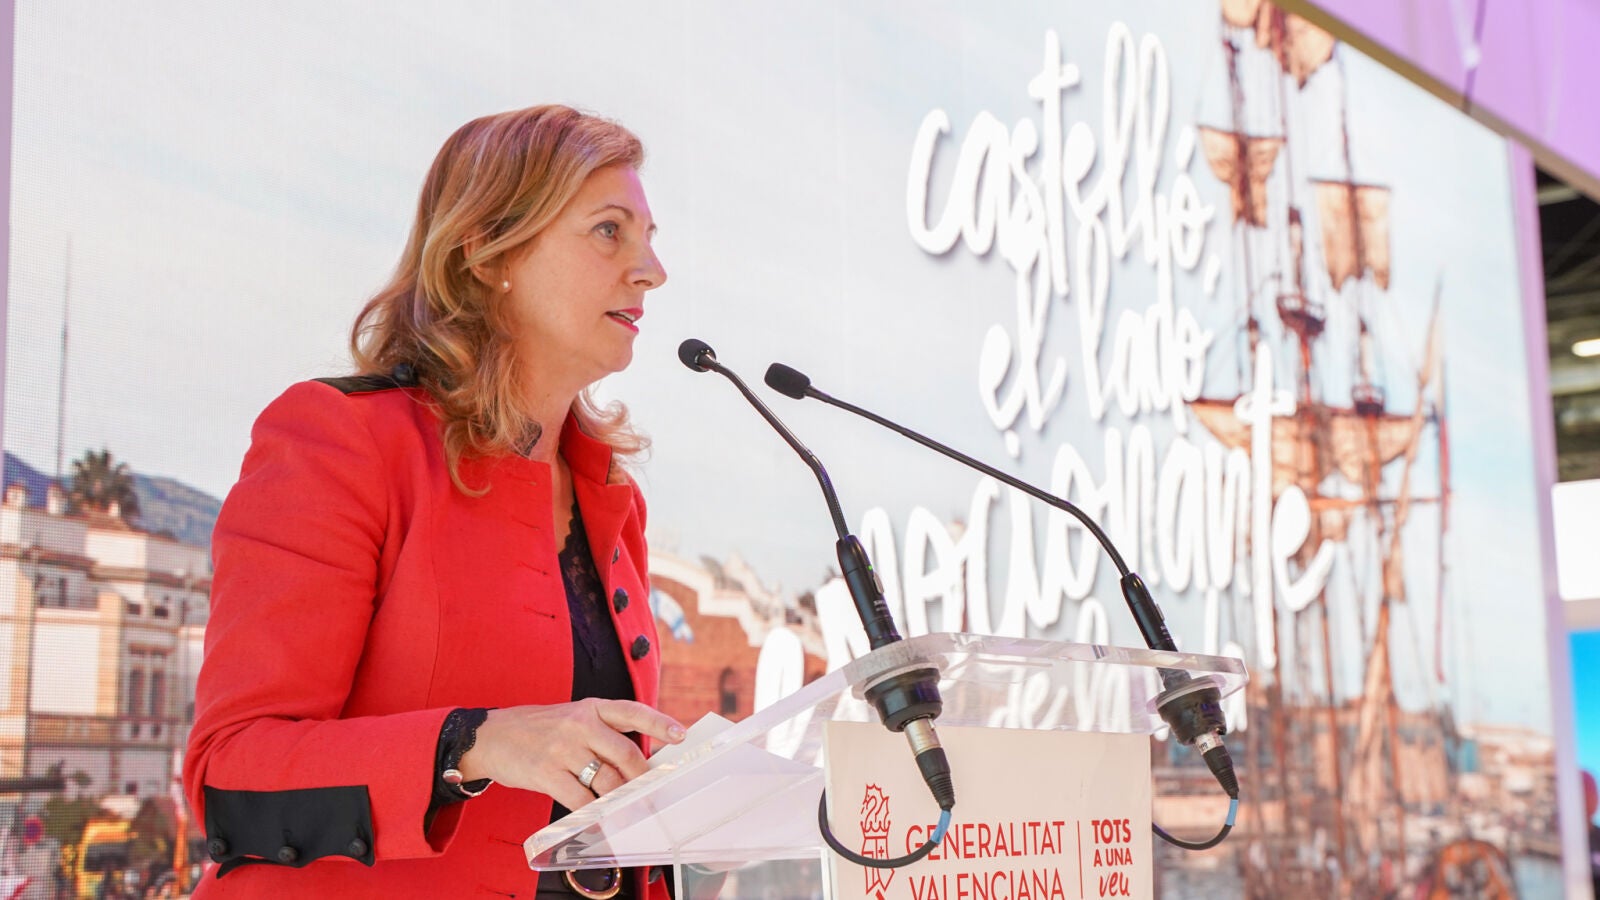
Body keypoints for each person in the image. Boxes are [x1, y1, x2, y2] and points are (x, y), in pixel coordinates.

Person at [182, 105, 683, 899]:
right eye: (609, 231)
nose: (651, 269)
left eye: (649, 238)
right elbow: (229, 776)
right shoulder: (339, 442)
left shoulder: (611, 496)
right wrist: (472, 743)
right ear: (486, 253)